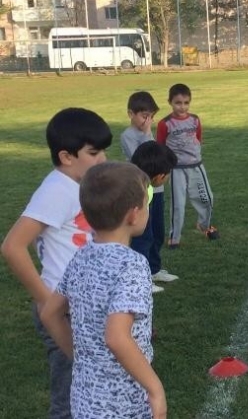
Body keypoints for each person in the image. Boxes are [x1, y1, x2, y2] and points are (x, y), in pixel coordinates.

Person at [0, 107, 111, 418]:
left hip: (80, 305)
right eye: (94, 152)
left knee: (88, 385)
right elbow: (13, 247)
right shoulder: (56, 190)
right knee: (69, 395)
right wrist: (47, 301)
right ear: (67, 157)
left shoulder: (76, 185)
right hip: (62, 310)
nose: (102, 159)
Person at [40, 162, 166, 419]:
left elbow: (50, 314)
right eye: (146, 202)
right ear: (133, 214)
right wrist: (155, 390)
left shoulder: (81, 256)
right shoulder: (133, 265)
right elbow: (117, 337)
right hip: (123, 403)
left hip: (85, 400)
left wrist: (82, 358)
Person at [121, 91, 178, 292]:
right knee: (143, 235)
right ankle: (143, 277)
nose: (149, 120)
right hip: (142, 191)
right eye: (144, 116)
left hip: (157, 189)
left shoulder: (147, 131)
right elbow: (143, 158)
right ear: (131, 114)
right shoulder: (128, 136)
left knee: (157, 232)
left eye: (151, 116)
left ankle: (154, 269)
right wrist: (147, 133)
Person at [156, 83, 219, 248]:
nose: (182, 107)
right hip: (176, 170)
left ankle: (204, 225)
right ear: (170, 102)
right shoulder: (165, 124)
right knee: (178, 205)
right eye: (178, 103)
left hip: (197, 167)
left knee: (207, 198)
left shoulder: (195, 120)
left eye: (186, 103)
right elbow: (161, 146)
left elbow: (198, 138)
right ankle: (174, 237)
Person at [131, 141, 179, 292]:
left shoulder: (145, 185)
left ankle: (153, 271)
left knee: (151, 238)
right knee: (141, 244)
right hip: (135, 225)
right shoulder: (138, 188)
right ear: (159, 176)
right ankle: (142, 280)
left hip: (141, 219)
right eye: (168, 173)